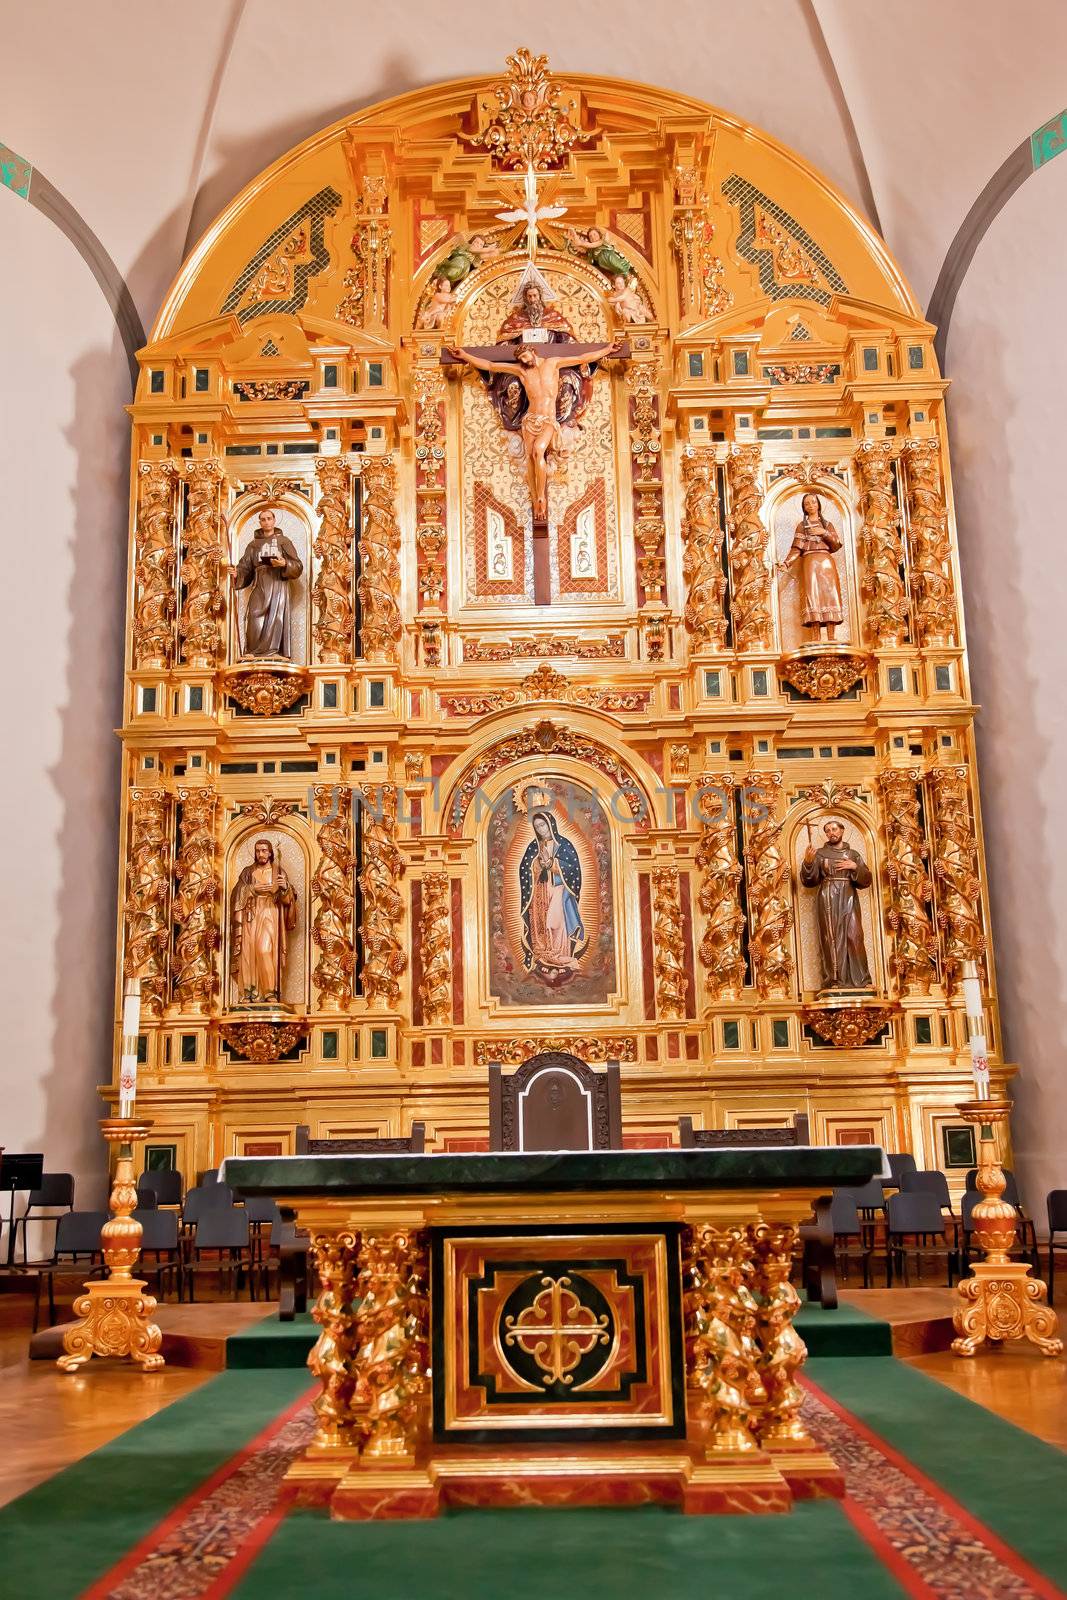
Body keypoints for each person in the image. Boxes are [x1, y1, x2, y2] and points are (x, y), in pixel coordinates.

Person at [449, 338, 617, 521]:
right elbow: (490, 364)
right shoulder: (521, 371)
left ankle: (540, 497)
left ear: (532, 351)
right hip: (529, 420)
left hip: (548, 420)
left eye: (525, 356)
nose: (525, 361)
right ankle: (534, 497)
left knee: (538, 452)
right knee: (530, 457)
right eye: (521, 358)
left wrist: (607, 350)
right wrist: (465, 355)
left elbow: (582, 357)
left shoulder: (553, 364)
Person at [800, 819, 873, 991]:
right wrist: (809, 863)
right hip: (828, 897)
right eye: (827, 830)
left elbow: (867, 880)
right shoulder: (819, 854)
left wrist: (855, 867)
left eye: (834, 829)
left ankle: (862, 980)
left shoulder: (853, 854)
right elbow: (809, 880)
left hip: (848, 896)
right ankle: (834, 979)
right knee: (831, 937)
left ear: (842, 830)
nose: (831, 833)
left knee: (854, 936)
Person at [230, 838, 298, 1004]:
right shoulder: (247, 872)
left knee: (264, 950)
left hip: (270, 913)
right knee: (248, 952)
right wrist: (252, 889)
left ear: (270, 853)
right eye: (258, 850)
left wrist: (285, 888)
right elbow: (236, 893)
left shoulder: (278, 872)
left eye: (264, 850)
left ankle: (269, 992)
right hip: (250, 914)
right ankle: (248, 992)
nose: (261, 854)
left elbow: (288, 900)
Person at [519, 812, 586, 979]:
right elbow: (524, 868)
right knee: (540, 922)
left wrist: (553, 864)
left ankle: (560, 955)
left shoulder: (564, 845)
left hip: (558, 889)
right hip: (540, 891)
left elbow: (573, 868)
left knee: (554, 923)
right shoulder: (534, 847)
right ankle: (545, 957)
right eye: (537, 827)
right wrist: (538, 864)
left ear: (551, 824)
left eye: (543, 825)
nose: (541, 830)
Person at [233, 508, 303, 658]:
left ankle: (274, 652)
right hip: (260, 582)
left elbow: (297, 565)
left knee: (275, 616)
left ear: (274, 520)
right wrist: (237, 573)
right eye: (263, 519)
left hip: (277, 582)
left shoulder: (284, 541)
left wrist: (284, 563)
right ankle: (253, 652)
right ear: (260, 522)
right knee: (253, 614)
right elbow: (245, 566)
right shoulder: (253, 544)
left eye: (269, 518)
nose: (266, 522)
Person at [777, 491, 845, 639]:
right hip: (810, 563)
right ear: (804, 507)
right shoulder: (802, 526)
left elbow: (836, 544)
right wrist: (786, 563)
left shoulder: (827, 525)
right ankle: (815, 637)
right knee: (813, 596)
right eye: (807, 503)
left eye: (813, 502)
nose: (811, 505)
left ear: (818, 504)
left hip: (826, 563)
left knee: (830, 595)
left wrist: (824, 533)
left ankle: (831, 636)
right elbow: (796, 548)